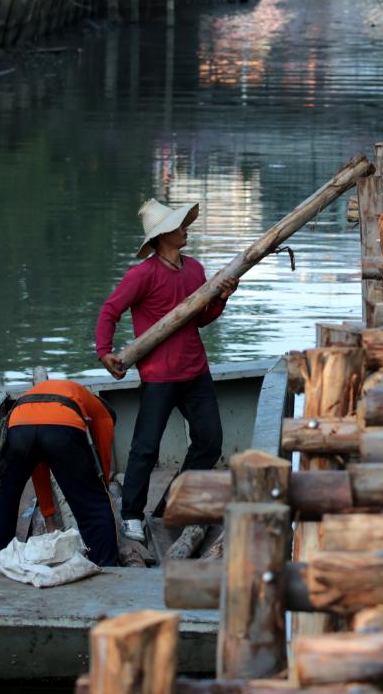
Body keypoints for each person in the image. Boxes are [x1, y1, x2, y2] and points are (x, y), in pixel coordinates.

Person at [96, 200, 238, 543]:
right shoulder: (141, 275)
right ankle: (131, 513)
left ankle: (173, 503)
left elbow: (200, 320)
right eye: (179, 226)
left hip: (196, 370)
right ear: (162, 236)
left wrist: (221, 299)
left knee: (210, 442)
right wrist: (104, 352)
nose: (185, 229)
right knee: (146, 448)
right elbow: (110, 311)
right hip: (158, 375)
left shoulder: (195, 270)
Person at [0, 378, 120, 567]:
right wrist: (101, 488)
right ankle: (107, 565)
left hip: (18, 425)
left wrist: (49, 515)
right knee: (94, 504)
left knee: (6, 499)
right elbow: (104, 458)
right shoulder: (103, 413)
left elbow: (39, 466)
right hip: (61, 425)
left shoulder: (62, 392)